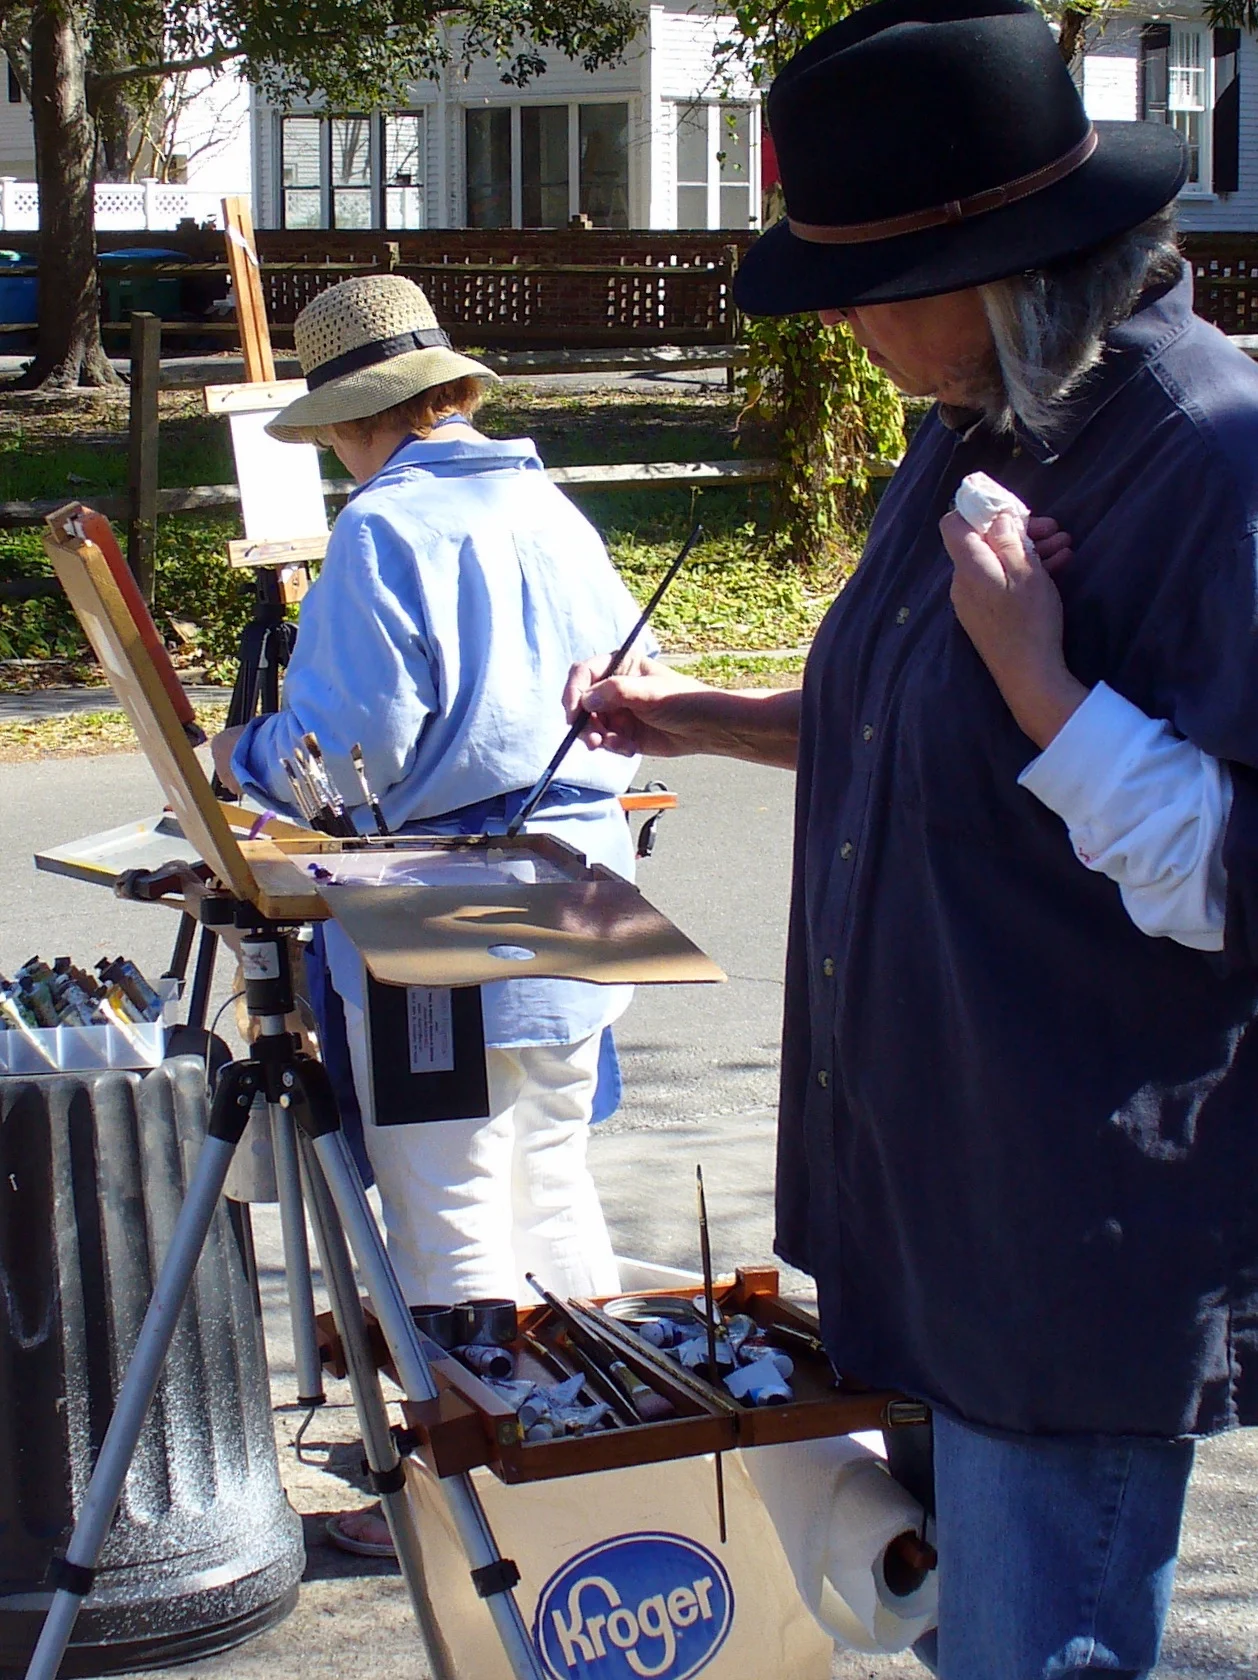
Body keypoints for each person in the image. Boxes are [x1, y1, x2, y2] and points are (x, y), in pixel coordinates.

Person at [564, 2, 1258, 1675]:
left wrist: (1038, 677)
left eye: (868, 286)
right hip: (926, 1212)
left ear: (1015, 261)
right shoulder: (982, 422)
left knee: (1029, 1652)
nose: (849, 327)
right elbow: (906, 728)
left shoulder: (1208, 452)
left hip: (1059, 1241)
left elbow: (1231, 877)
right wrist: (704, 716)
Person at [211, 273, 646, 1553]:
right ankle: (598, 1464)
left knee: (449, 1204)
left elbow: (350, 750)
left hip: (438, 894)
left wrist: (242, 755)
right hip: (577, 878)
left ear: (361, 418)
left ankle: (469, 1517)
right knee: (552, 1176)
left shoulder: (385, 529)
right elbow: (634, 685)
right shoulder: (544, 501)